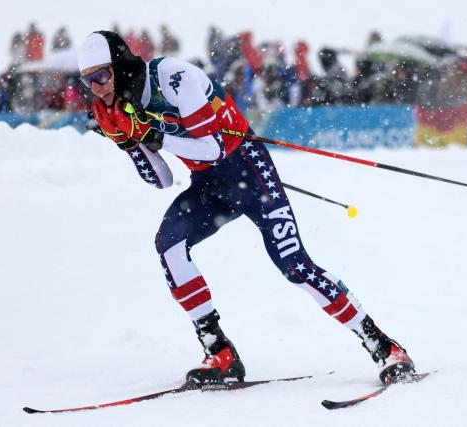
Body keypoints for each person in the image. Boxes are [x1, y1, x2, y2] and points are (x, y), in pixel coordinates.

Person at [77, 31, 416, 386]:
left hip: (249, 172)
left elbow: (212, 149)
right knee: (169, 245)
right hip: (210, 187)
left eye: (101, 75)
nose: (96, 87)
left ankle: (384, 346)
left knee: (294, 265)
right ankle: (218, 350)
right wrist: (128, 143)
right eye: (88, 80)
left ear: (120, 66)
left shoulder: (173, 77)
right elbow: (160, 179)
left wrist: (153, 136)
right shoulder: (117, 106)